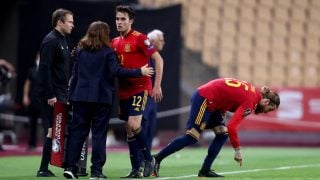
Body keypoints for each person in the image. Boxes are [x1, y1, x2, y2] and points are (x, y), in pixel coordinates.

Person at [63, 21, 154, 179]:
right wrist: (139, 71)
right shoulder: (107, 52)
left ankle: (70, 167)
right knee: (98, 135)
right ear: (104, 34)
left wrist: (70, 97)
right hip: (101, 99)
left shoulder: (80, 51)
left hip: (80, 98)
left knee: (77, 133)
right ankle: (96, 171)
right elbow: (116, 71)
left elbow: (75, 75)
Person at [152, 78, 280, 177]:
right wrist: (237, 150)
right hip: (205, 98)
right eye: (270, 109)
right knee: (192, 137)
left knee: (222, 133)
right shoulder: (251, 102)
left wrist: (223, 109)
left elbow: (229, 93)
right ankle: (156, 159)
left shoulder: (253, 93)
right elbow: (232, 126)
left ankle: (205, 170)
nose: (267, 112)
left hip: (214, 102)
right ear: (266, 102)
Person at [111, 5, 164, 178]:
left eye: (123, 19)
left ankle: (149, 160)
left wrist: (157, 86)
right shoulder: (114, 42)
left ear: (131, 21)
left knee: (134, 125)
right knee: (128, 128)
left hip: (140, 87)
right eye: (117, 19)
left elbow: (158, 59)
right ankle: (135, 169)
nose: (119, 22)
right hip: (124, 90)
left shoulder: (140, 38)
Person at [35, 8, 74, 177]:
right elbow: (44, 69)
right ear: (60, 22)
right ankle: (44, 168)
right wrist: (51, 94)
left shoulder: (63, 40)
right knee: (53, 129)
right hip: (51, 95)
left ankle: (51, 166)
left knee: (57, 129)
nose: (73, 25)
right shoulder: (50, 41)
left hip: (61, 92)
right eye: (70, 22)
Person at [142, 29, 165, 149]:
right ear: (152, 40)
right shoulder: (147, 47)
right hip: (144, 91)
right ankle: (140, 157)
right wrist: (157, 85)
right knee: (144, 124)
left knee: (151, 125)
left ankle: (146, 157)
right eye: (160, 40)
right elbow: (160, 61)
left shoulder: (153, 53)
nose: (163, 42)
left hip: (151, 93)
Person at [22, 52, 41, 150]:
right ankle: (32, 144)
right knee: (32, 122)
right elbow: (27, 84)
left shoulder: (47, 70)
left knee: (47, 123)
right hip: (33, 99)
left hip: (44, 100)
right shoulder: (32, 71)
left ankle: (48, 145)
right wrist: (25, 96)